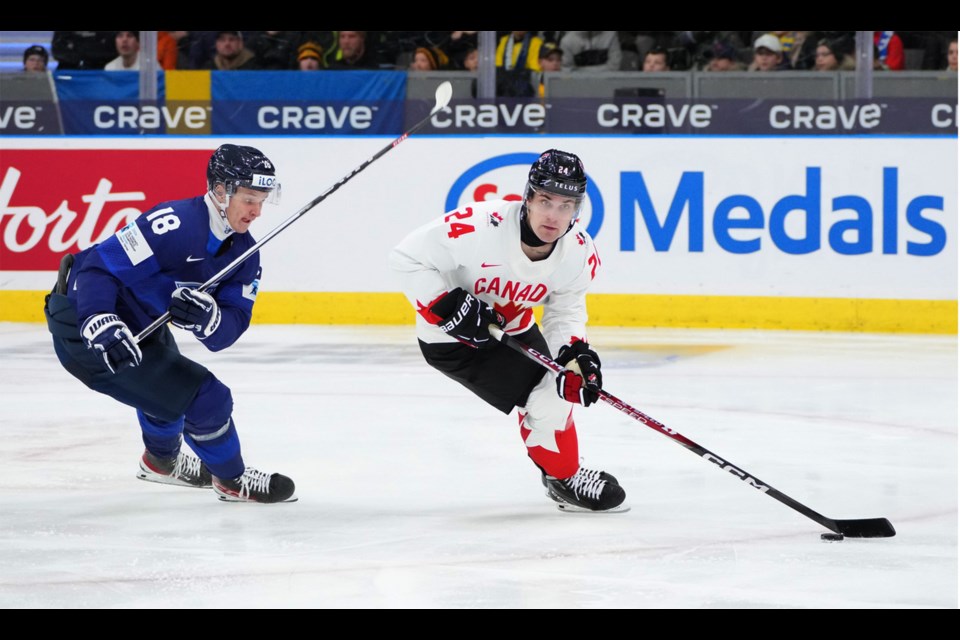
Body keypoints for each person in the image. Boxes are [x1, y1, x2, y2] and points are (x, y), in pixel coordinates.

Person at [43, 144, 296, 504]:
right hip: (84, 324)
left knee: (166, 394)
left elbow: (230, 327)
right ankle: (231, 479)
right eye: (249, 199)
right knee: (207, 398)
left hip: (141, 320)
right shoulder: (174, 222)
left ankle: (161, 462)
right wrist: (99, 318)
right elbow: (100, 264)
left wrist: (210, 319)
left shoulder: (245, 254)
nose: (256, 212)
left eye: (262, 200)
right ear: (221, 191)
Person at [389, 150, 626, 513]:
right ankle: (563, 476)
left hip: (514, 327)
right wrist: (446, 304)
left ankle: (561, 474)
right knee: (542, 395)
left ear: (577, 209)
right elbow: (406, 258)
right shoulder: (479, 225)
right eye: (546, 200)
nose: (553, 215)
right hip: (452, 342)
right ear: (528, 197)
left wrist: (573, 353)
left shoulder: (579, 252)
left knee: (559, 387)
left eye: (566, 205)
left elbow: (566, 309)